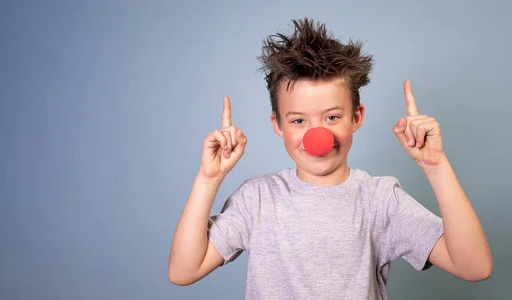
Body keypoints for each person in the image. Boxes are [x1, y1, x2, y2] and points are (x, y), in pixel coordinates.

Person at [168, 18, 492, 300]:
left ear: (357, 117)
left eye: (332, 117)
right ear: (277, 125)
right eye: (298, 121)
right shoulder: (257, 199)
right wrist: (208, 179)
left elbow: (474, 266)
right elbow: (184, 270)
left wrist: (436, 166)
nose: (317, 137)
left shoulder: (380, 201)